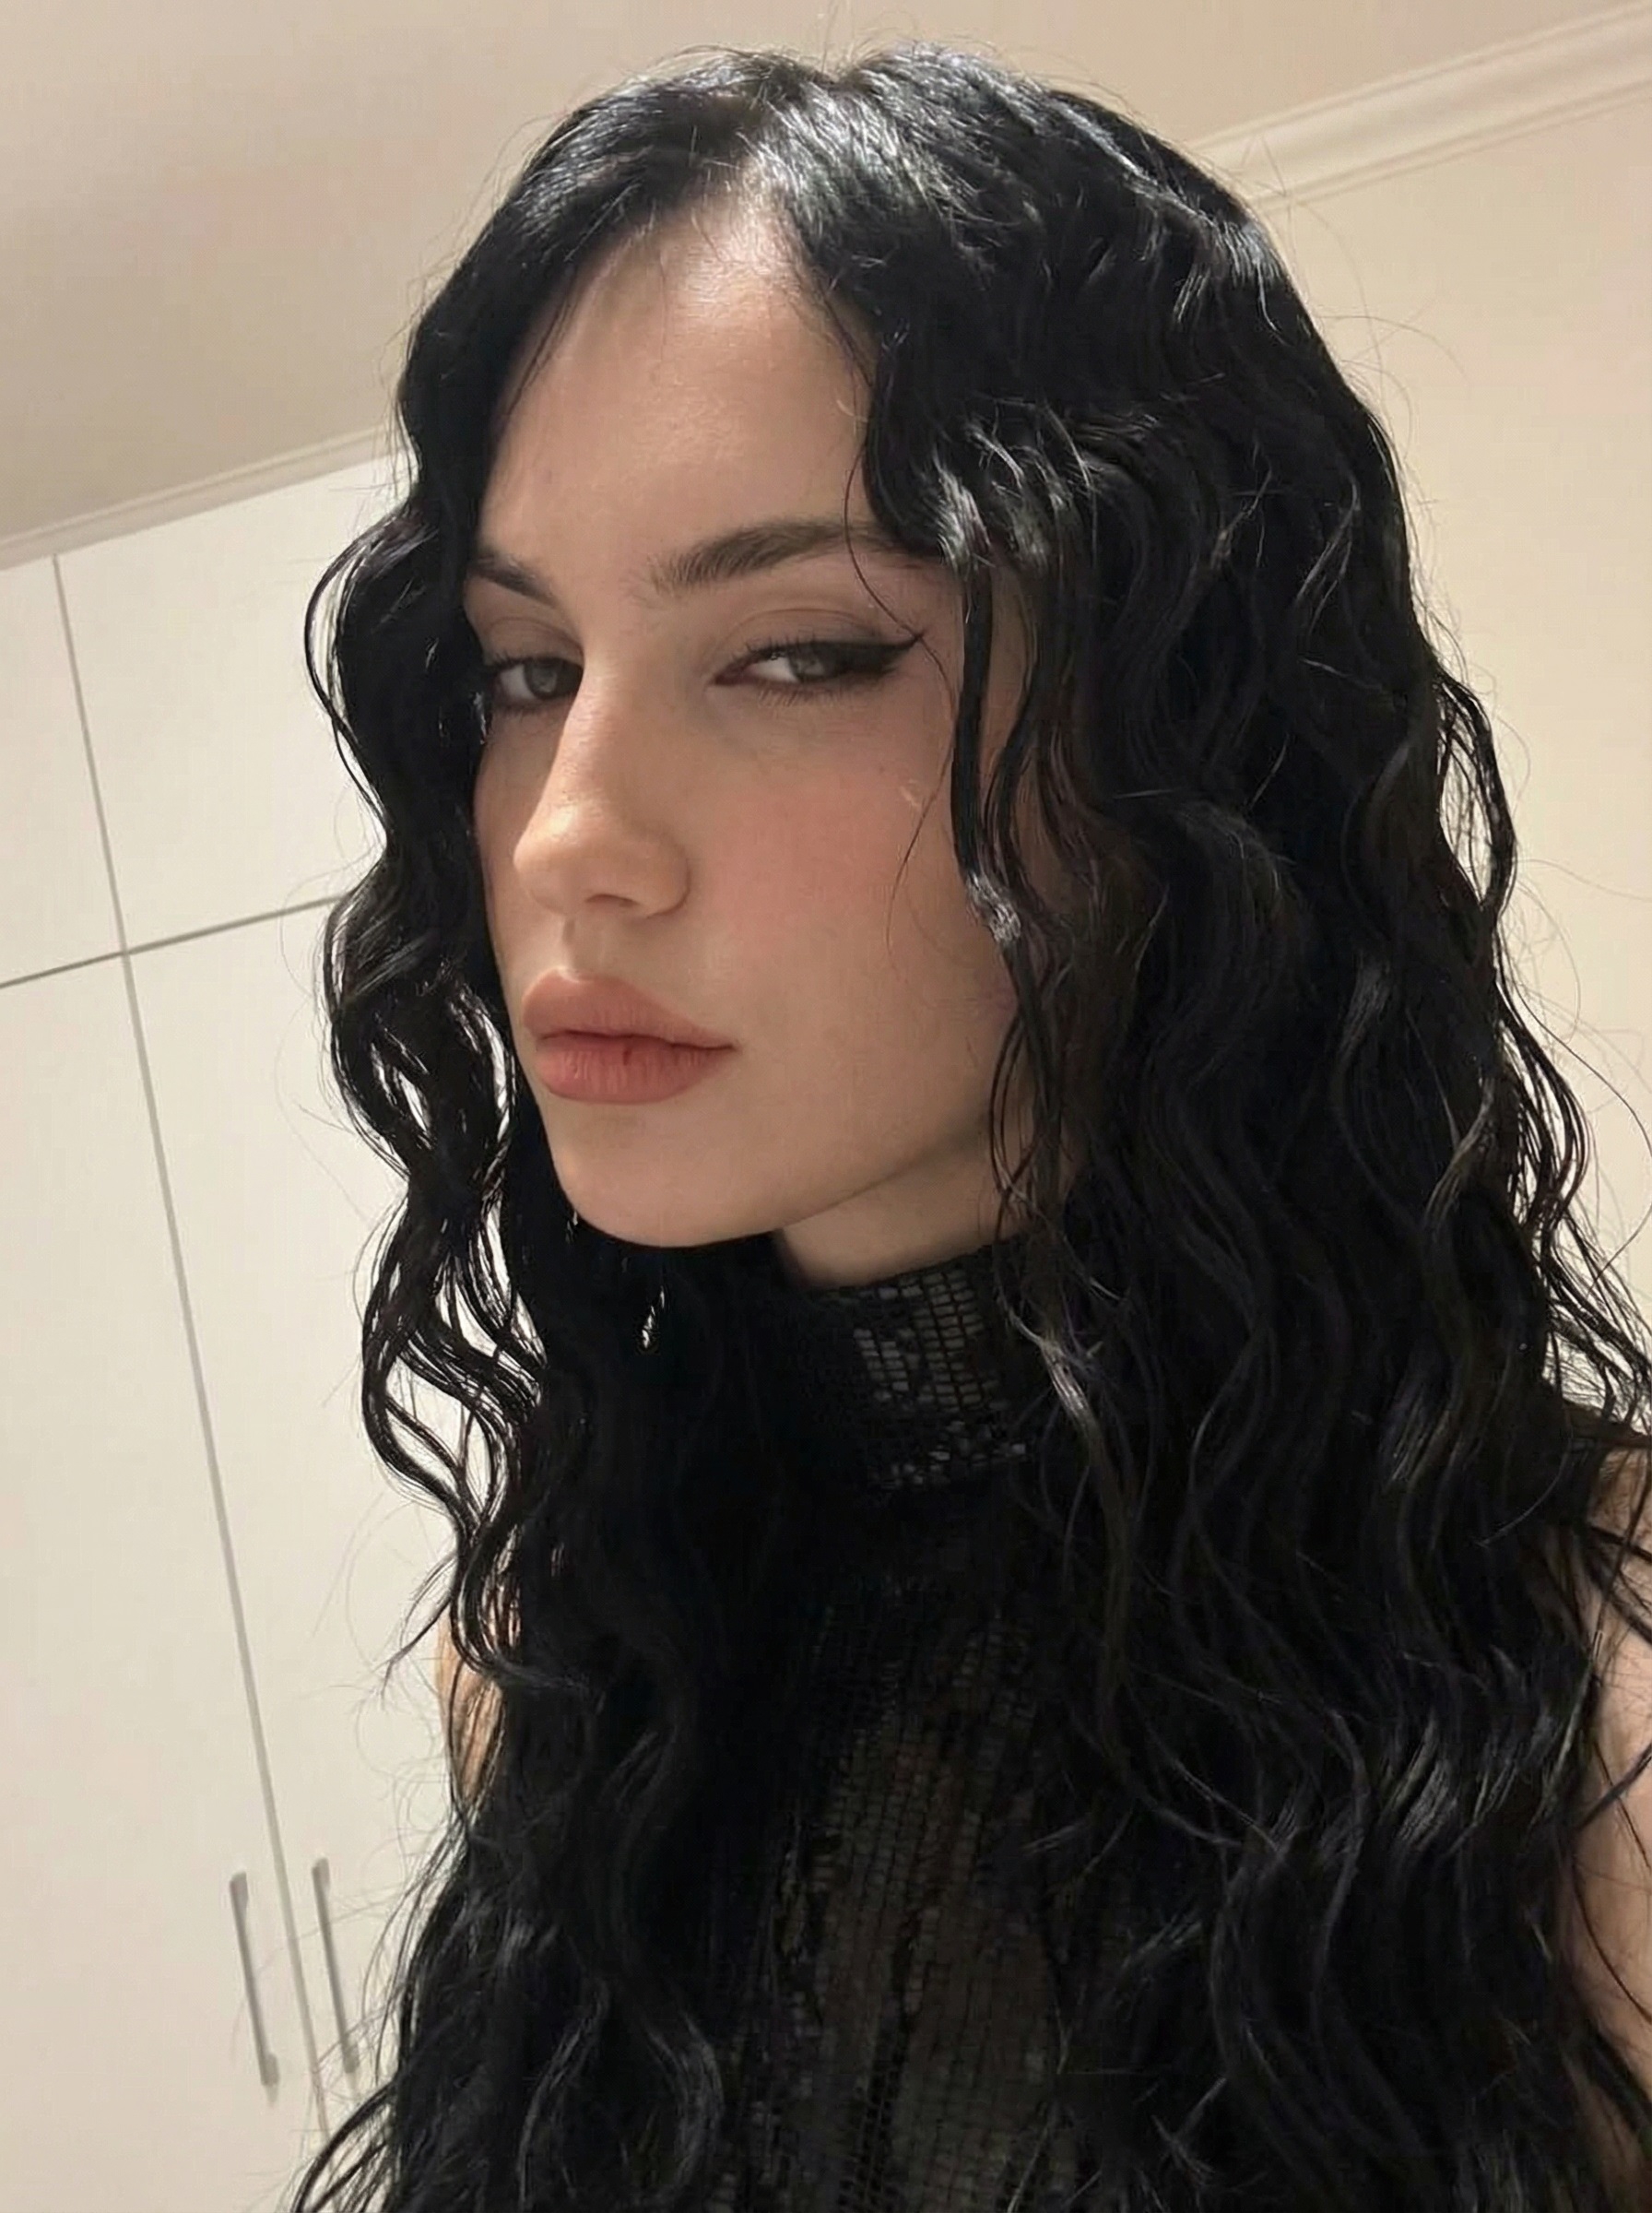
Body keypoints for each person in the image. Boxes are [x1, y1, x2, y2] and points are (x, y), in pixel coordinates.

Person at [289, 41, 1652, 2213]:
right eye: (525, 670)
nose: (561, 838)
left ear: (1186, 731)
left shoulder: (1586, 1687)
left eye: (799, 654)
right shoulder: (558, 1654)